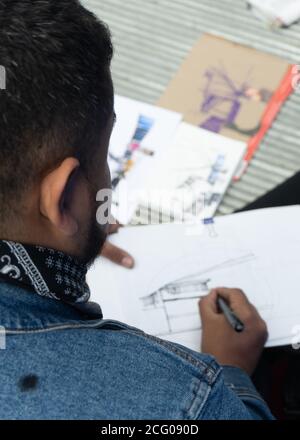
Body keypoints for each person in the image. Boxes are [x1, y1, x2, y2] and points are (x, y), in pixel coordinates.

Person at [0, 0, 274, 420]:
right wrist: (230, 374)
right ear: (64, 196)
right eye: (104, 153)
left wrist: (58, 232)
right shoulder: (181, 400)